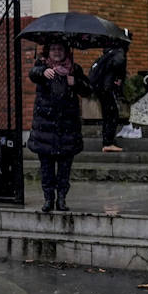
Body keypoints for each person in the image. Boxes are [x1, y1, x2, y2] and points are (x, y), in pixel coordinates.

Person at [28, 40, 91, 212]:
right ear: (48, 51)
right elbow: (32, 74)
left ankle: (62, 199)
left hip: (67, 129)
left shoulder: (74, 69)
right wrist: (43, 71)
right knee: (46, 168)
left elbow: (88, 89)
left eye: (60, 49)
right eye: (53, 49)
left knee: (64, 168)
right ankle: (48, 199)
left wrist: (75, 82)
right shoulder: (42, 66)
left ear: (66, 52)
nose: (56, 52)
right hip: (45, 129)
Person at [89, 43, 129, 152]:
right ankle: (108, 142)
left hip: (100, 87)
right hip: (108, 87)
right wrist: (119, 77)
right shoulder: (119, 51)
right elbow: (118, 62)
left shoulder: (108, 52)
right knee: (112, 113)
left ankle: (107, 141)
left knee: (108, 113)